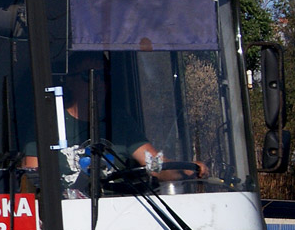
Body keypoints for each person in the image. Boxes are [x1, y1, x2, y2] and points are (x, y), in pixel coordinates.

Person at [23, 52, 206, 195]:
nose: (98, 83)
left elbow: (155, 165)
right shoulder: (47, 123)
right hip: (67, 218)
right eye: (89, 77)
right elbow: (32, 180)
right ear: (70, 81)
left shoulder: (119, 122)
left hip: (115, 214)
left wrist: (184, 168)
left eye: (103, 76)